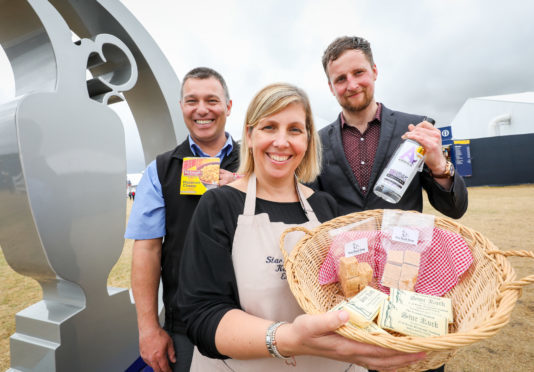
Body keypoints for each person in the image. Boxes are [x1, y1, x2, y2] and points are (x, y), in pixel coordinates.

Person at [177, 83, 425, 372]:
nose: (282, 142)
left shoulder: (325, 207)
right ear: (249, 134)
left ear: (308, 139)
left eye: (295, 129)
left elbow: (344, 292)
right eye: (269, 127)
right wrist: (289, 338)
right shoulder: (219, 205)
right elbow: (203, 316)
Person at [125, 67, 241, 372]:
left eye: (212, 100)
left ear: (228, 107)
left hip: (250, 318)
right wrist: (148, 328)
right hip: (185, 325)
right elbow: (146, 250)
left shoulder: (256, 162)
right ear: (181, 108)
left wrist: (248, 185)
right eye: (192, 101)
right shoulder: (160, 170)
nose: (202, 109)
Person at [314, 36, 468, 218]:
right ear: (331, 88)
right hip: (342, 246)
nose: (352, 85)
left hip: (401, 246)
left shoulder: (415, 130)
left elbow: (454, 209)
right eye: (340, 79)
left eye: (358, 73)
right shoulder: (316, 144)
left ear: (374, 71)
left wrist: (440, 168)